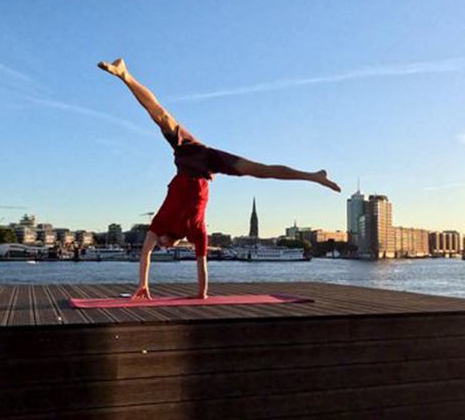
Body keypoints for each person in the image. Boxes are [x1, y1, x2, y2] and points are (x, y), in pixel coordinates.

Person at [98, 58, 341, 300]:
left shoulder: (159, 224)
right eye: (165, 247)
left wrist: (143, 284)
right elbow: (202, 264)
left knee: (162, 117)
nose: (162, 246)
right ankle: (313, 177)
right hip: (206, 165)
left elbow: (145, 254)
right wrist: (201, 294)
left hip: (189, 157)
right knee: (259, 170)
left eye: (161, 245)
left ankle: (124, 74)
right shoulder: (196, 232)